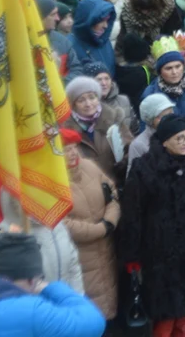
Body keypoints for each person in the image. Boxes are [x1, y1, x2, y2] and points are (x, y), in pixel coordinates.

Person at [120, 114, 185, 337]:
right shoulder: (145, 168)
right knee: (165, 313)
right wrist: (131, 254)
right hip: (161, 253)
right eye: (179, 138)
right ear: (164, 141)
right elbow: (133, 214)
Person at [0, 231, 106, 337]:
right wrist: (50, 287)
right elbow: (93, 322)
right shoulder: (30, 311)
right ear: (32, 280)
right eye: (39, 278)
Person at [59, 128, 120, 323]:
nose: (72, 153)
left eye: (74, 147)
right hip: (81, 255)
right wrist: (100, 229)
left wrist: (109, 221)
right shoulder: (52, 182)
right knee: (90, 309)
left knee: (111, 295)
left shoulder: (90, 166)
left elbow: (112, 195)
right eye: (64, 149)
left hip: (107, 248)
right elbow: (62, 222)